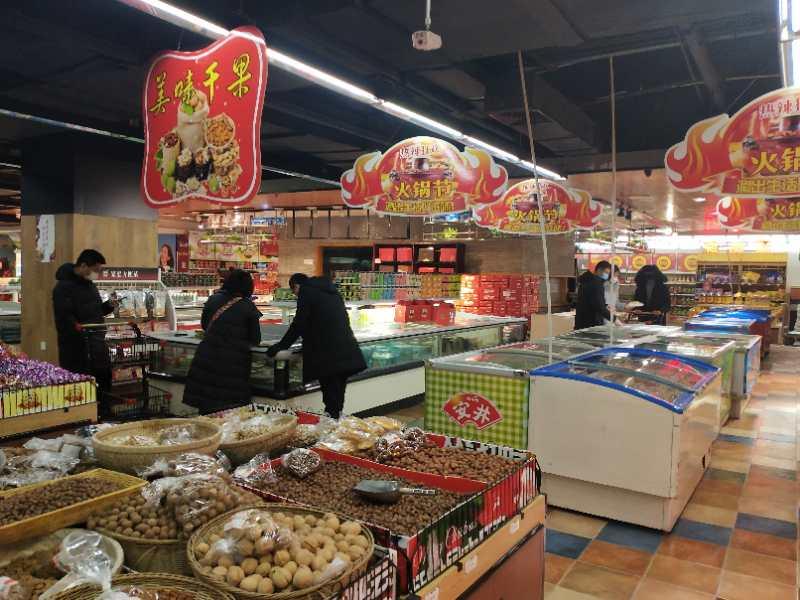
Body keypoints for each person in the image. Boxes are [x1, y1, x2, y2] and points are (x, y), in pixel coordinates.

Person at [267, 273, 366, 418]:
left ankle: (332, 426)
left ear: (296, 286)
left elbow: (299, 323)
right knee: (337, 398)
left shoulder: (306, 292)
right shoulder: (331, 291)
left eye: (294, 292)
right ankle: (336, 425)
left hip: (328, 354)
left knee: (330, 398)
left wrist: (281, 346)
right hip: (346, 350)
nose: (296, 295)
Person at [183, 269, 262, 414]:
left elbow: (205, 325)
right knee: (229, 411)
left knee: (207, 408)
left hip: (207, 358)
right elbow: (256, 339)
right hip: (232, 364)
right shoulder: (248, 306)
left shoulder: (213, 299)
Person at [52, 249, 117, 400]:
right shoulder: (62, 288)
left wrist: (109, 306)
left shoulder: (90, 286)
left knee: (103, 385)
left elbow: (96, 311)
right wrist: (78, 328)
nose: (97, 274)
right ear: (83, 266)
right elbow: (63, 317)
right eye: (95, 270)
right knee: (81, 392)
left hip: (98, 345)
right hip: (77, 350)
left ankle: (104, 410)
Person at [574, 261, 612, 330]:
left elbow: (591, 301)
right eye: (606, 273)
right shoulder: (596, 284)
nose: (607, 276)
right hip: (592, 324)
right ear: (599, 270)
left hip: (581, 323)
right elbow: (599, 307)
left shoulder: (586, 281)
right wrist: (614, 319)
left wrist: (604, 305)